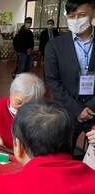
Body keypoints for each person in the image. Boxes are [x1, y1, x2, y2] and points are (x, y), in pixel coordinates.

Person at [44, 0, 95, 157]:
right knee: (62, 157)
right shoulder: (55, 45)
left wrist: (92, 106)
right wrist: (77, 109)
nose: (76, 20)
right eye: (71, 16)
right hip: (67, 112)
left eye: (82, 15)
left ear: (93, 13)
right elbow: (53, 81)